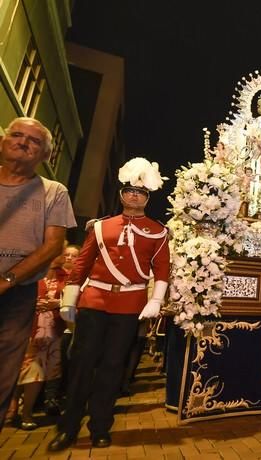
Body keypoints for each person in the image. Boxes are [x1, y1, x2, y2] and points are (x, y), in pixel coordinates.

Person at [48, 157, 170, 451]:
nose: (134, 196)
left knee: (112, 367)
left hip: (129, 306)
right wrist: (70, 298)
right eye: (129, 191)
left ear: (147, 198)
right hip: (94, 301)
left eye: (140, 193)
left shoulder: (158, 232)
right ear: (121, 195)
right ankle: (68, 427)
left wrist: (156, 299)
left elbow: (163, 270)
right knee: (81, 364)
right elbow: (82, 265)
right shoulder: (101, 227)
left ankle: (100, 426)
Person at [0, 117, 77, 433]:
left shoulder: (53, 191)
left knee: (5, 370)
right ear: (4, 141)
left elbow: (51, 246)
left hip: (18, 293)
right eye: (16, 135)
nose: (22, 142)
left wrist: (7, 281)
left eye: (33, 141)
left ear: (45, 154)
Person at [8, 245, 80, 430]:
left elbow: (75, 301)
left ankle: (23, 410)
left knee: (37, 375)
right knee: (27, 372)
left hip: (53, 332)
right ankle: (20, 410)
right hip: (28, 330)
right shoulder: (30, 273)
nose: (64, 257)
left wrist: (59, 303)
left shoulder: (66, 277)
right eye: (61, 253)